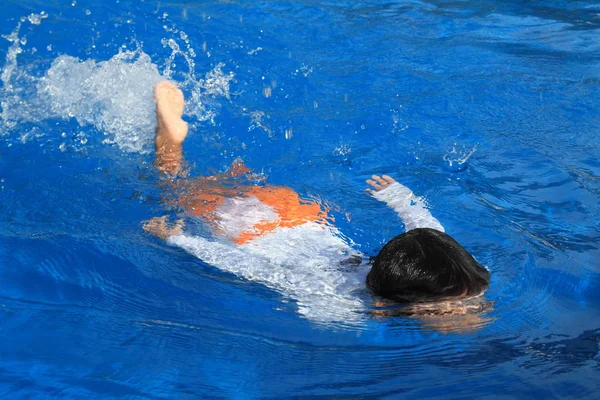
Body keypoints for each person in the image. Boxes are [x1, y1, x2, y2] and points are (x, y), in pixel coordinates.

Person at [144, 81, 491, 322]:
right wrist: (178, 238)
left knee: (222, 181)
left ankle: (178, 142)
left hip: (301, 213)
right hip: (248, 229)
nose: (474, 310)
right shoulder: (336, 302)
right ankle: (169, 143)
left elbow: (427, 231)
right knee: (170, 185)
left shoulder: (410, 267)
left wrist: (399, 195)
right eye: (458, 306)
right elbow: (251, 268)